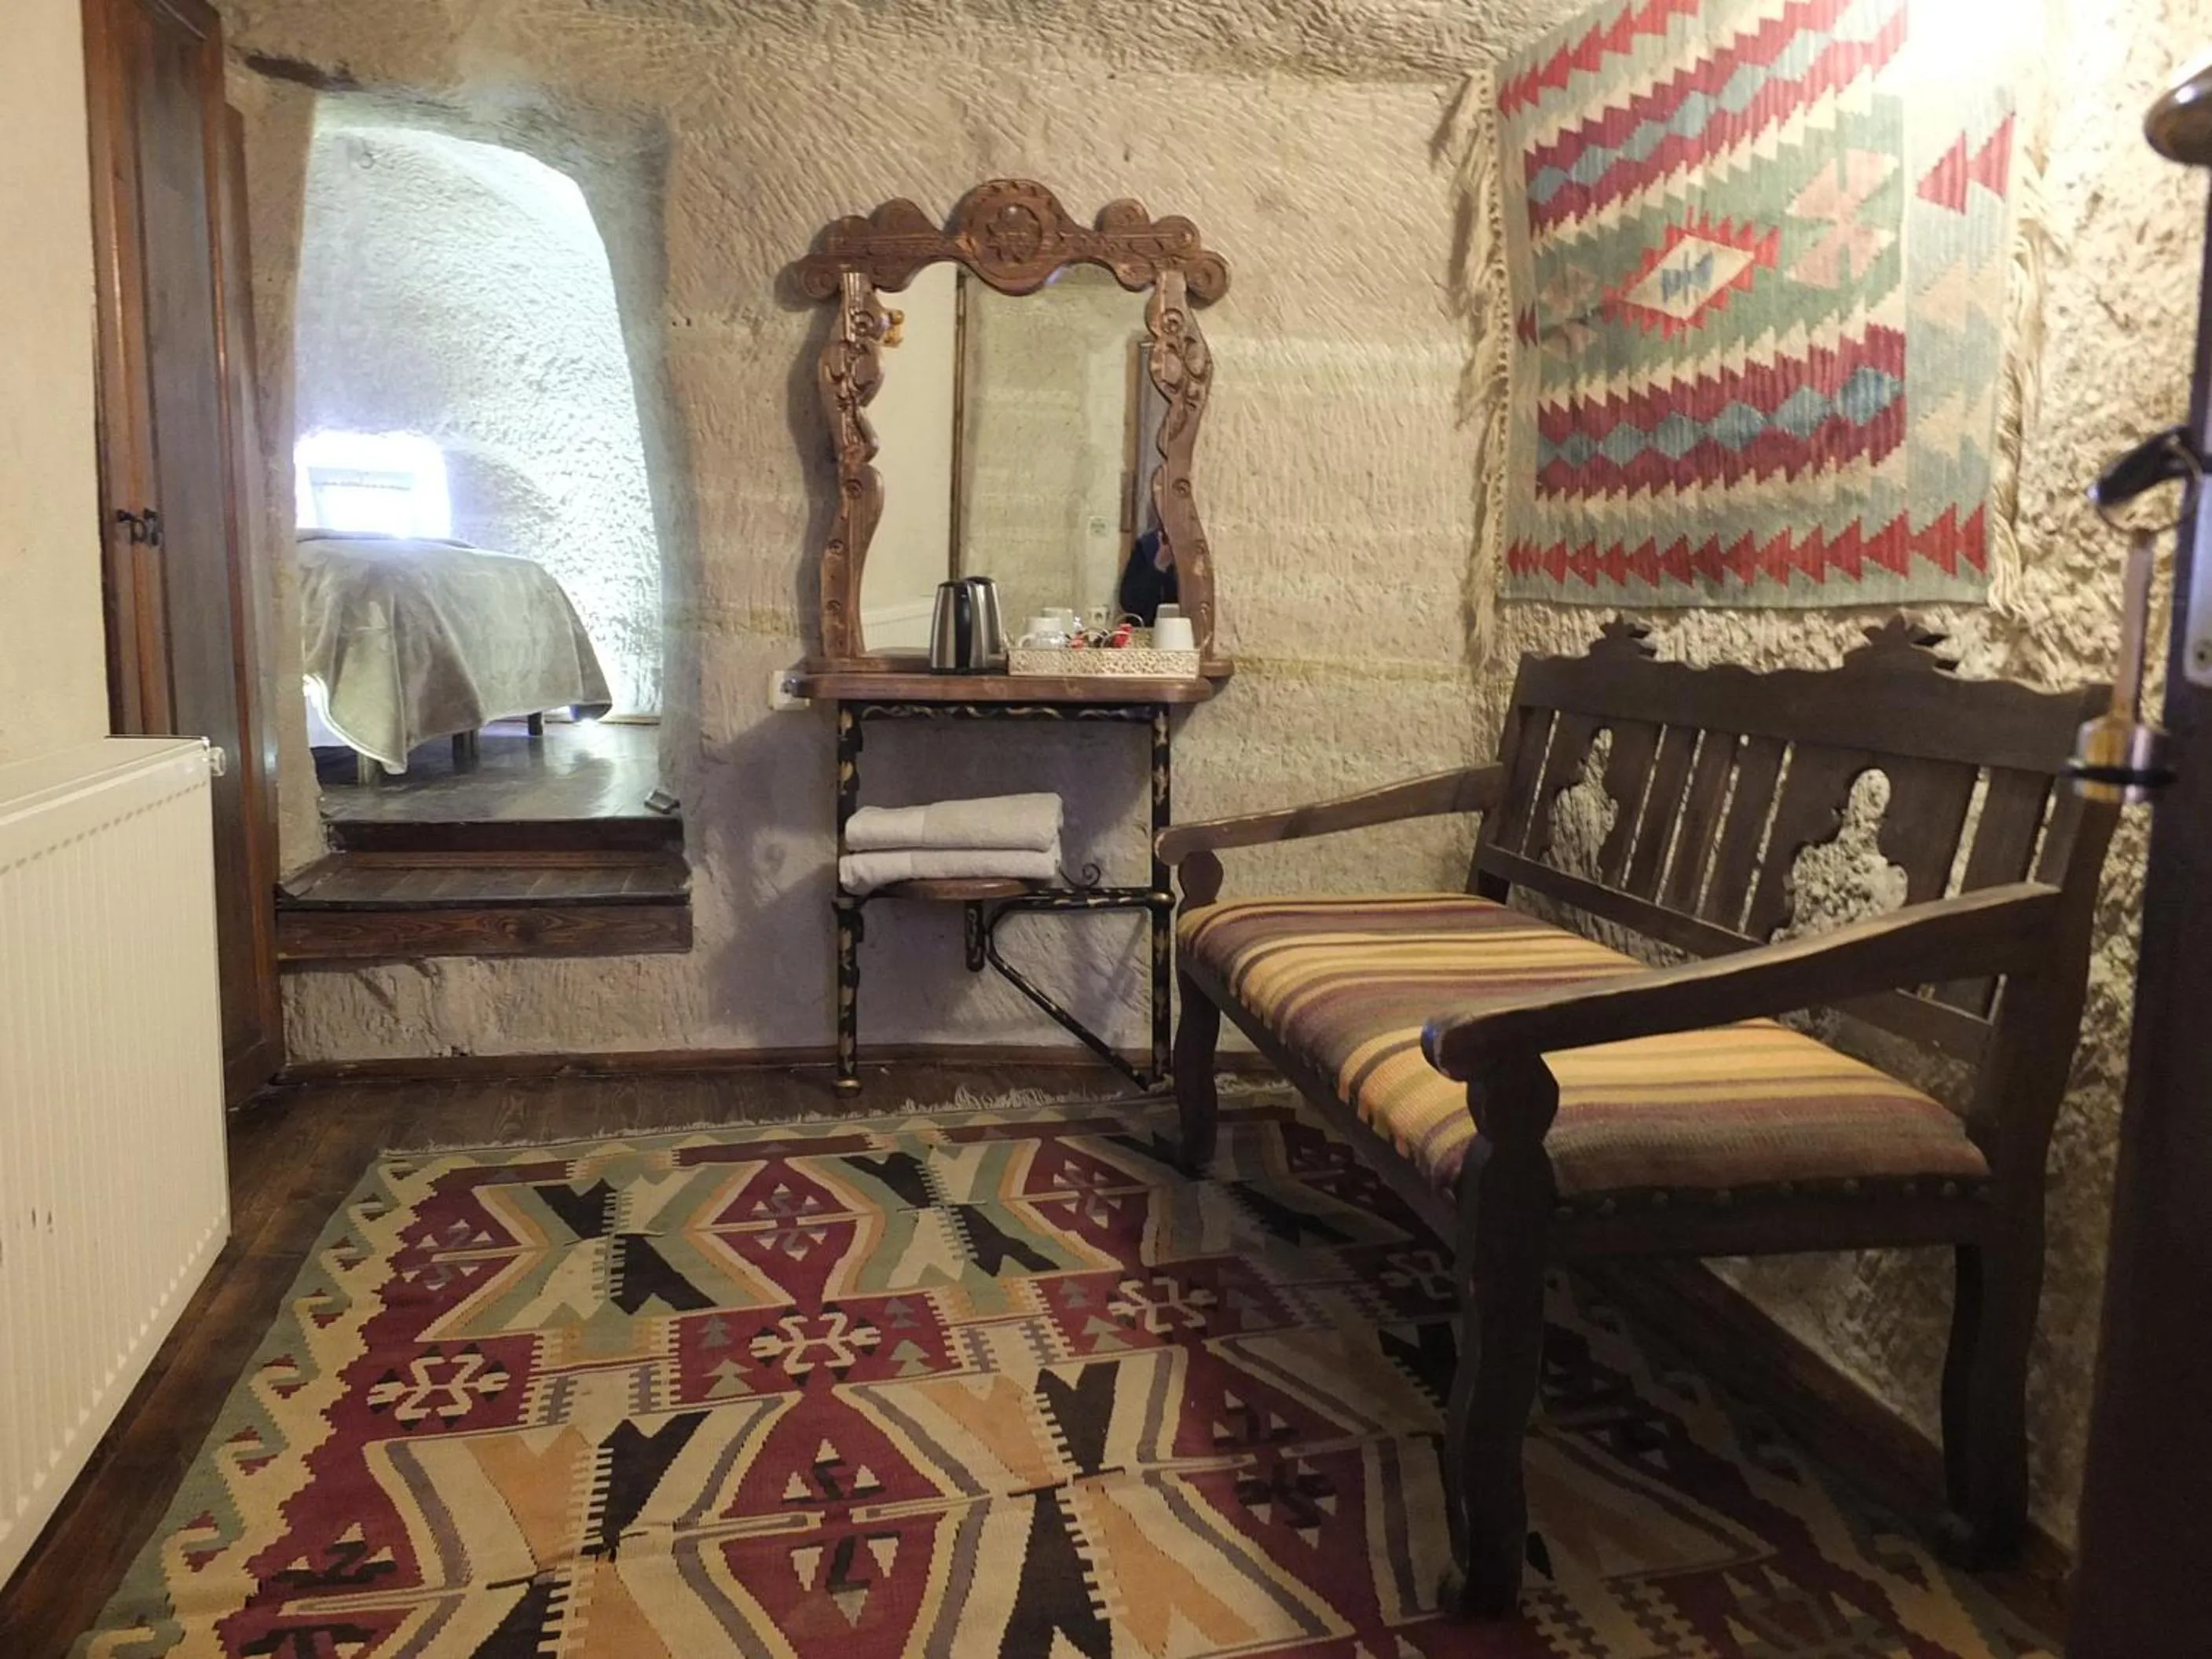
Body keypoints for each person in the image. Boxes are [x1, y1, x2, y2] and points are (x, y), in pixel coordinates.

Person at [1116, 507, 1178, 624]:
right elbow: (1129, 602)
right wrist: (1158, 567)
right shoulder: (1147, 547)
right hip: (1148, 630)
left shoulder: (1194, 552)